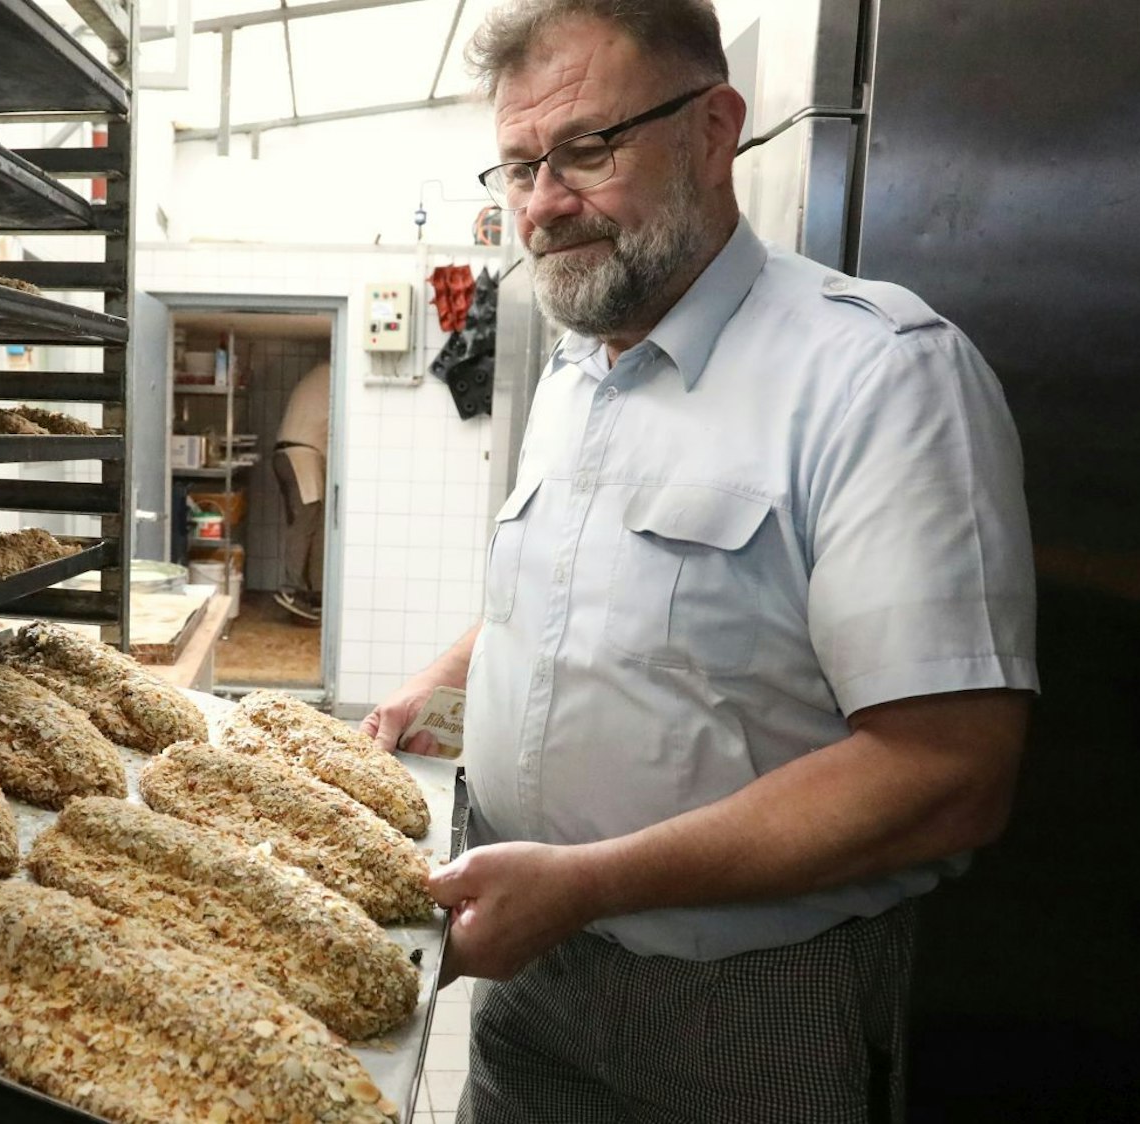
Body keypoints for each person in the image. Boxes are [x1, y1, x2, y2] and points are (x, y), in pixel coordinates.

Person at [361, 2, 1038, 1120]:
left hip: (749, 1005)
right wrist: (441, 687)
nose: (541, 203)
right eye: (519, 165)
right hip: (534, 977)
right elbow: (571, 599)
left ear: (714, 130)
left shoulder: (877, 377)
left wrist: (588, 882)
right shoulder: (579, 372)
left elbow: (947, 771)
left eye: (587, 149)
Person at [271, 361, 330, 621]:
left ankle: (311, 591)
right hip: (302, 456)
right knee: (306, 521)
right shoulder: (337, 376)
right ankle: (291, 588)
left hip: (286, 454)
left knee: (308, 522)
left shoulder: (320, 373)